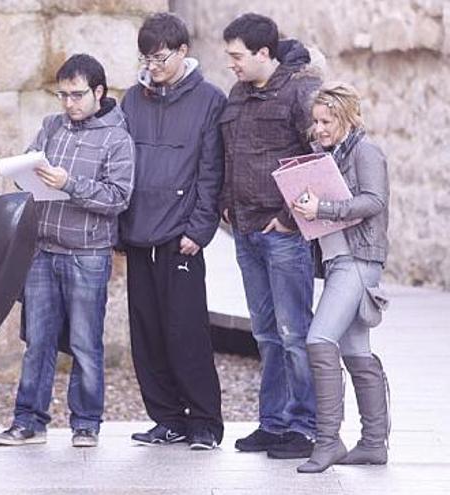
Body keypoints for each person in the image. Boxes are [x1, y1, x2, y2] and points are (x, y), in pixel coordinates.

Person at [0, 54, 134, 448]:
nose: (69, 104)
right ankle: (28, 421)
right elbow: (29, 164)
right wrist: (22, 175)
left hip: (88, 254)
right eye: (62, 95)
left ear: (99, 92)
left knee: (86, 343)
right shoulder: (50, 127)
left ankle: (86, 423)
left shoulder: (117, 138)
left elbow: (118, 197)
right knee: (37, 341)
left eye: (77, 95)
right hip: (43, 250)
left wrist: (70, 183)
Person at [119, 12, 225, 451]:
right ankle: (166, 418)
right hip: (138, 233)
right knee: (145, 331)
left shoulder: (210, 100)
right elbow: (121, 163)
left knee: (186, 331)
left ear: (183, 52)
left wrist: (200, 230)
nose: (152, 66)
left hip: (182, 235)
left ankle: (205, 422)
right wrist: (119, 230)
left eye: (160, 57)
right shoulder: (132, 99)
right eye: (146, 57)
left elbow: (211, 170)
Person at [219, 13, 322, 459]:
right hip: (245, 233)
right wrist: (226, 203)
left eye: (238, 57)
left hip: (283, 237)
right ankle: (273, 423)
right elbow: (228, 155)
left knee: (294, 332)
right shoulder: (237, 95)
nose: (232, 65)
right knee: (265, 334)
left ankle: (305, 426)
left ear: (265, 54)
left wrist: (289, 218)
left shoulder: (300, 92)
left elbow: (322, 157)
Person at [293, 82, 390, 473]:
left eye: (326, 121)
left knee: (318, 340)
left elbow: (374, 201)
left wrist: (324, 207)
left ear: (347, 117)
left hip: (358, 259)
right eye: (315, 121)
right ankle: (372, 443)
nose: (318, 128)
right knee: (356, 353)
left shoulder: (366, 151)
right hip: (336, 260)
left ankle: (328, 441)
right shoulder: (326, 154)